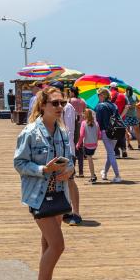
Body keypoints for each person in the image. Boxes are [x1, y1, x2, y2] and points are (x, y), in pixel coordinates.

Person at [13, 86, 75, 280]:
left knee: (47, 245)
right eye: (55, 104)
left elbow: (69, 159)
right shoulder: (30, 132)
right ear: (43, 106)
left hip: (59, 193)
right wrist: (43, 169)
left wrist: (66, 171)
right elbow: (19, 163)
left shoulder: (61, 131)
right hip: (39, 194)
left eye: (62, 103)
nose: (60, 108)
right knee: (57, 245)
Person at [60, 88, 82, 226]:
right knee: (61, 182)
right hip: (56, 149)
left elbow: (69, 131)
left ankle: (76, 212)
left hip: (67, 150)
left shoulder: (67, 107)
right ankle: (65, 210)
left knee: (70, 180)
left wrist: (68, 152)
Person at [94, 87, 122, 183]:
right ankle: (104, 172)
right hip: (116, 131)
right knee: (110, 153)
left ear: (102, 95)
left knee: (110, 153)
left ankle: (117, 175)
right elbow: (119, 118)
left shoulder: (100, 106)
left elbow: (98, 121)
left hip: (106, 132)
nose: (98, 97)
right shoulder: (114, 105)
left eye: (98, 95)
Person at [78, 108, 100, 184]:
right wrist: (96, 142)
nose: (82, 115)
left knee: (89, 159)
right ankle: (93, 175)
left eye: (83, 113)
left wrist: (78, 144)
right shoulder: (96, 123)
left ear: (85, 115)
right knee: (90, 158)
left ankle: (93, 176)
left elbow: (81, 135)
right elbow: (99, 135)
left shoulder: (84, 123)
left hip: (87, 144)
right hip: (94, 145)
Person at [112, 84, 129, 158]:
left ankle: (117, 153)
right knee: (122, 134)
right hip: (122, 119)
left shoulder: (110, 95)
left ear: (111, 88)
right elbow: (127, 106)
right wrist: (121, 116)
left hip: (113, 119)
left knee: (114, 135)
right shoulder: (123, 95)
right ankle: (124, 149)